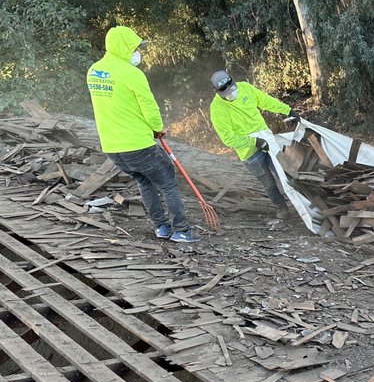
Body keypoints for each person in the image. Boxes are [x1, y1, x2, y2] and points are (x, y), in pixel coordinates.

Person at [86, 26, 199, 243]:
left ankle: (162, 228)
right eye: (135, 47)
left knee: (145, 183)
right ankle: (182, 231)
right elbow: (150, 108)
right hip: (137, 144)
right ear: (124, 47)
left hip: (112, 147)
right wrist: (158, 128)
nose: (138, 52)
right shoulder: (132, 74)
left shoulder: (94, 71)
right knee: (167, 183)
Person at [208, 70, 298, 220]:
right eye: (227, 93)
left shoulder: (245, 88)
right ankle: (281, 208)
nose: (232, 94)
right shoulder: (217, 109)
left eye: (232, 89)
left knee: (286, 174)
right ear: (217, 92)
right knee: (268, 183)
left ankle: (301, 205)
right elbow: (228, 138)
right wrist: (254, 141)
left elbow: (265, 101)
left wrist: (287, 110)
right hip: (250, 154)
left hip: (267, 141)